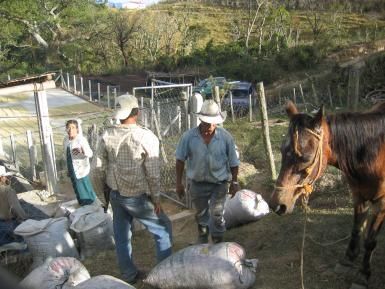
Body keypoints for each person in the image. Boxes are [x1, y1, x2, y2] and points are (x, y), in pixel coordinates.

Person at [91, 94, 172, 284]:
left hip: (115, 194)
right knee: (163, 229)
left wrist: (103, 198)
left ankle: (128, 274)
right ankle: (165, 276)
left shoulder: (107, 135)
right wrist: (157, 199)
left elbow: (96, 170)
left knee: (121, 235)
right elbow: (152, 173)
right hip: (136, 196)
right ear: (137, 112)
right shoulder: (145, 136)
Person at [175, 99, 240, 244]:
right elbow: (180, 160)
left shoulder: (225, 137)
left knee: (217, 214)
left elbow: (234, 162)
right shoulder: (188, 137)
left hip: (219, 183)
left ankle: (218, 240)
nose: (209, 126)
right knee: (201, 214)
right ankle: (203, 238)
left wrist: (234, 181)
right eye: (206, 123)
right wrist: (179, 183)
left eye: (213, 123)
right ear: (200, 120)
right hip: (197, 184)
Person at [63, 119, 97, 206]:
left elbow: (90, 153)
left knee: (84, 189)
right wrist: (67, 169)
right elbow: (66, 155)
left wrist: (82, 151)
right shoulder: (66, 140)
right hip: (72, 169)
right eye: (68, 128)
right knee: (76, 188)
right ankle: (83, 205)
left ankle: (90, 206)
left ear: (77, 129)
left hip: (81, 170)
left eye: (73, 128)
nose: (70, 130)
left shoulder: (81, 140)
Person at [0, 165, 27, 251]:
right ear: (2, 177)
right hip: (7, 225)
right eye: (6, 177)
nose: (7, 179)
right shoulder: (8, 190)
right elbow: (16, 208)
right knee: (24, 246)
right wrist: (25, 218)